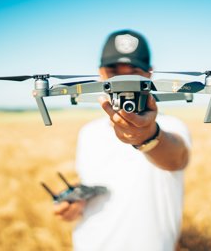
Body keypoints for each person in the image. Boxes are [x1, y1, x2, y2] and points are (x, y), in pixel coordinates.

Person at [53, 29, 191, 251]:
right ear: (101, 73)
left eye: (133, 72)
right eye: (114, 72)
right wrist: (75, 204)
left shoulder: (173, 127)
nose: (124, 81)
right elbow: (95, 181)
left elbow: (175, 158)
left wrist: (148, 136)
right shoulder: (88, 133)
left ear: (149, 74)